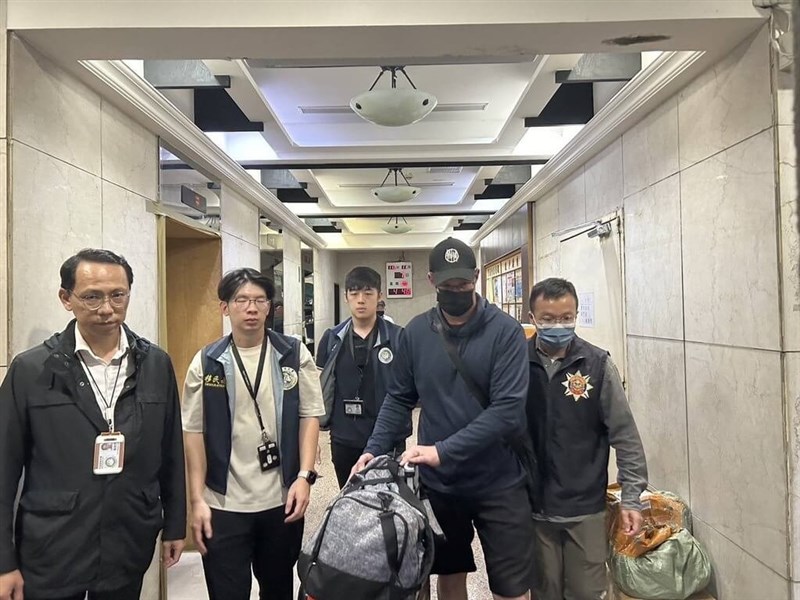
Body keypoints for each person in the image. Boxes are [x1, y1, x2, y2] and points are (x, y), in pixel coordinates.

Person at [0, 248, 186, 600]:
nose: (106, 309)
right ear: (66, 298)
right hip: (53, 540)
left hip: (128, 535)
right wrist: (3, 561)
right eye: (92, 297)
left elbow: (170, 451)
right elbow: (4, 470)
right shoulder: (32, 370)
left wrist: (175, 524)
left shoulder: (155, 364)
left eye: (118, 295)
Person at [353, 237, 533, 600]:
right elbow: (399, 397)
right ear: (432, 280)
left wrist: (442, 450)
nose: (456, 291)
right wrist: (374, 448)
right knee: (449, 576)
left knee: (511, 587)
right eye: (448, 285)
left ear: (477, 278)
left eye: (463, 284)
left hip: (499, 481)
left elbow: (507, 410)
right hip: (442, 486)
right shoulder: (417, 332)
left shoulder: (506, 333)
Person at [182, 268, 324, 600]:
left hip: (280, 500)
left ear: (270, 307)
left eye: (259, 300)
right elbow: (193, 432)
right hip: (224, 503)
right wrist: (197, 500)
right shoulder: (207, 362)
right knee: (227, 592)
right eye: (241, 300)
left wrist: (304, 476)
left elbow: (309, 416)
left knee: (278, 589)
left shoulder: (292, 354)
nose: (251, 308)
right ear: (224, 307)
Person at [526, 277, 648, 600]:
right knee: (543, 592)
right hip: (534, 508)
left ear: (576, 314)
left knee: (586, 593)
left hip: (585, 509)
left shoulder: (597, 364)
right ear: (533, 318)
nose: (558, 326)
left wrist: (632, 496)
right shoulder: (516, 363)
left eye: (566, 317)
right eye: (549, 319)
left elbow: (625, 435)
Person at [316, 267, 410, 488]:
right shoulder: (331, 339)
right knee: (349, 497)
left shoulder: (398, 337)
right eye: (354, 293)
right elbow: (317, 390)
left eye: (368, 293)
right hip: (343, 437)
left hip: (387, 438)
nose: (361, 300)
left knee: (389, 501)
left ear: (380, 296)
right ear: (346, 297)